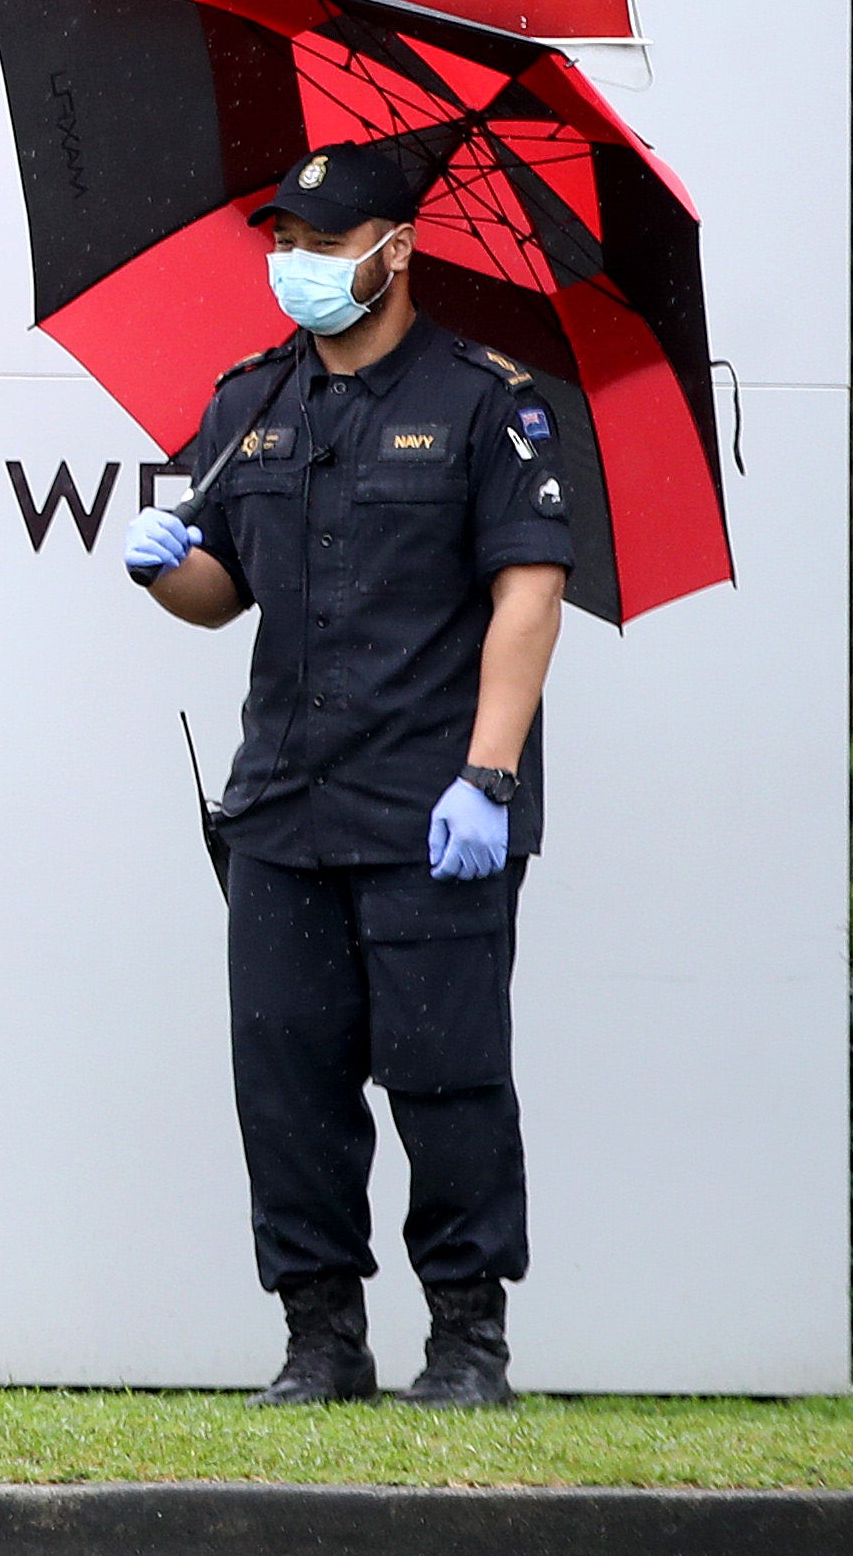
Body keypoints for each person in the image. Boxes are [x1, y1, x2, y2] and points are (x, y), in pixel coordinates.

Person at [118, 130, 571, 1410]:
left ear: (395, 251)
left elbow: (527, 598)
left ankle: (466, 1345)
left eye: (322, 246)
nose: (296, 265)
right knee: (288, 1076)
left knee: (448, 1078)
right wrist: (163, 570)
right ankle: (322, 1340)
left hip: (432, 808)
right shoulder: (251, 403)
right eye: (285, 242)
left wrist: (488, 780)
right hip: (284, 806)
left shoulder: (489, 402)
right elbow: (220, 597)